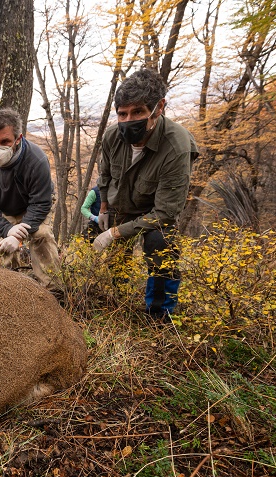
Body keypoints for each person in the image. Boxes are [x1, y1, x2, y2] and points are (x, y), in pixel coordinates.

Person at [93, 68, 198, 320]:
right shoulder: (112, 136)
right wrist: (104, 209)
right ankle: (116, 303)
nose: (129, 120)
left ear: (158, 108)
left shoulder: (177, 146)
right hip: (121, 205)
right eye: (122, 113)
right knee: (117, 259)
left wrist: (114, 232)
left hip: (156, 213)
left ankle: (160, 314)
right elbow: (105, 175)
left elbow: (165, 212)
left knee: (160, 245)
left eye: (138, 111)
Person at [0, 108, 62, 289]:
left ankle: (54, 292)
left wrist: (21, 233)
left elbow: (41, 202)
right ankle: (11, 289)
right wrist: (8, 231)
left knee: (41, 236)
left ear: (18, 139)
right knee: (6, 246)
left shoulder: (36, 159)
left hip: (34, 205)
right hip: (4, 206)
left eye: (5, 141)